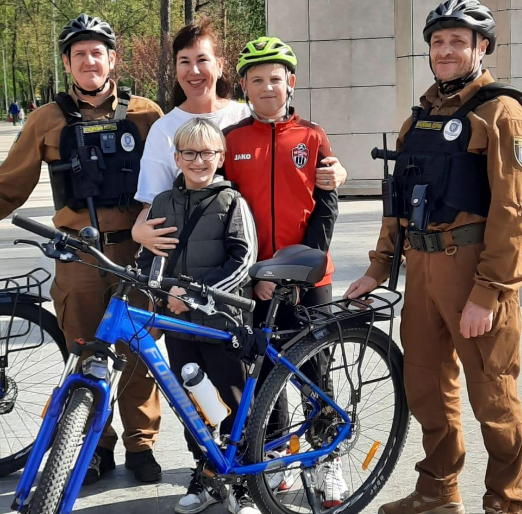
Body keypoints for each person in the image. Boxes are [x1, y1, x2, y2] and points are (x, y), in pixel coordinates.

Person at [0, 13, 166, 486]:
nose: (89, 61)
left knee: (140, 355)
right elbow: (9, 183)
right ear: (67, 63)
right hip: (79, 257)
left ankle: (141, 444)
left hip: (137, 257)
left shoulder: (146, 114)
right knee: (83, 355)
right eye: (80, 54)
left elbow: (182, 174)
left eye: (98, 52)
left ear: (112, 59)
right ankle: (95, 446)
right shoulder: (47, 119)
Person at [344, 2, 522, 513]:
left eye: (459, 41)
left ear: (481, 48)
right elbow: (398, 202)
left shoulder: (503, 115)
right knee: (427, 390)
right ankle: (438, 491)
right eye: (438, 42)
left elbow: (514, 213)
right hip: (422, 272)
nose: (446, 50)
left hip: (473, 269)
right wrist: (378, 267)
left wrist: (488, 293)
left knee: (492, 396)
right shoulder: (421, 119)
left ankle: (505, 501)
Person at [222, 36, 346, 507]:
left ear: (290, 83)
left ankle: (325, 459)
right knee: (265, 369)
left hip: (309, 277)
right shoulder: (233, 141)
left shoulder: (312, 136)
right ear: (245, 88)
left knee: (315, 369)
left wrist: (299, 269)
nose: (267, 86)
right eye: (257, 79)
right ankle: (278, 457)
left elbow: (326, 207)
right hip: (256, 279)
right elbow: (227, 213)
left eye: (275, 78)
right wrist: (255, 273)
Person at [132, 17, 346, 256]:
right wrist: (138, 230)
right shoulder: (163, 129)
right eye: (184, 61)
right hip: (218, 259)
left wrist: (337, 172)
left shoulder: (250, 114)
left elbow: (297, 154)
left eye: (202, 59)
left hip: (279, 258)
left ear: (220, 65)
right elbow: (154, 202)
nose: (194, 70)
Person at [137, 117, 257, 514]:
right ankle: (205, 474)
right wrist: (162, 295)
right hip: (179, 326)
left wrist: (192, 294)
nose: (198, 160)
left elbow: (243, 261)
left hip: (222, 325)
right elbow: (149, 259)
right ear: (177, 158)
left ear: (220, 157)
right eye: (189, 153)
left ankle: (242, 483)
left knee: (234, 402)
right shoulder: (163, 203)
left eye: (206, 152)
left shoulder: (231, 201)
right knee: (191, 404)